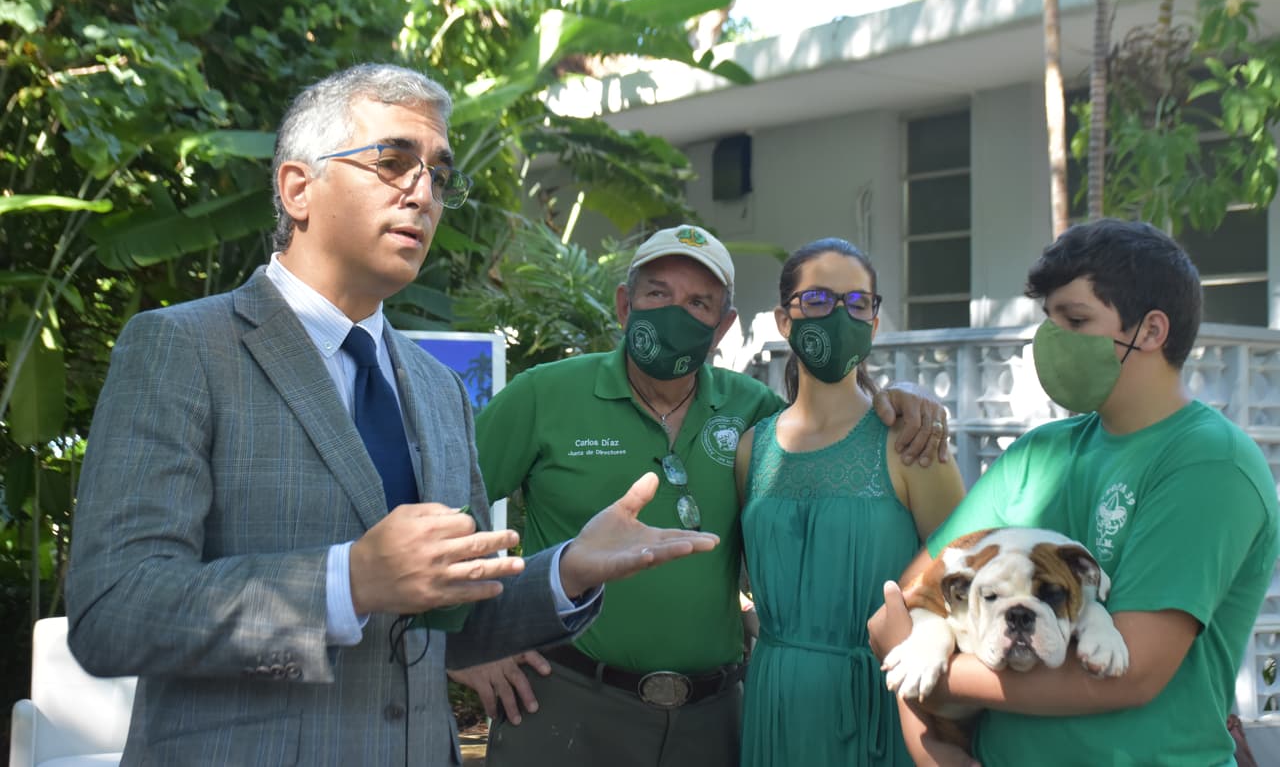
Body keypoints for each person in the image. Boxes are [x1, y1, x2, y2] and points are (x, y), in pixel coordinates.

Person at [63, 63, 720, 767]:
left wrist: (566, 572)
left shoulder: (438, 390)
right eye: (393, 161)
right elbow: (113, 611)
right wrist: (346, 581)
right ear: (298, 188)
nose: (423, 192)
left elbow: (453, 620)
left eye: (438, 173)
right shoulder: (185, 349)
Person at [455, 223, 953, 767]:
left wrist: (905, 400)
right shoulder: (544, 395)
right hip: (568, 706)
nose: (677, 314)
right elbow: (439, 505)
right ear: (624, 305)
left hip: (712, 719)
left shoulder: (754, 416)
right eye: (658, 294)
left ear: (723, 325)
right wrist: (461, 648)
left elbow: (830, 438)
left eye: (699, 303)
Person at [868, 219, 1280, 767]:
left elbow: (1130, 673)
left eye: (1076, 320)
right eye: (1050, 319)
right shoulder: (1037, 454)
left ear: (1151, 331)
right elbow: (912, 600)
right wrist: (927, 740)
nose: (1052, 340)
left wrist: (933, 675)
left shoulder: (1209, 463)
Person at [735, 238, 966, 766]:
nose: (839, 315)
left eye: (857, 303)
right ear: (784, 320)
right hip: (777, 701)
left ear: (874, 322)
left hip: (878, 703)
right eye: (817, 299)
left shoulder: (911, 443)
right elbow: (736, 578)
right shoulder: (752, 450)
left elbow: (964, 577)